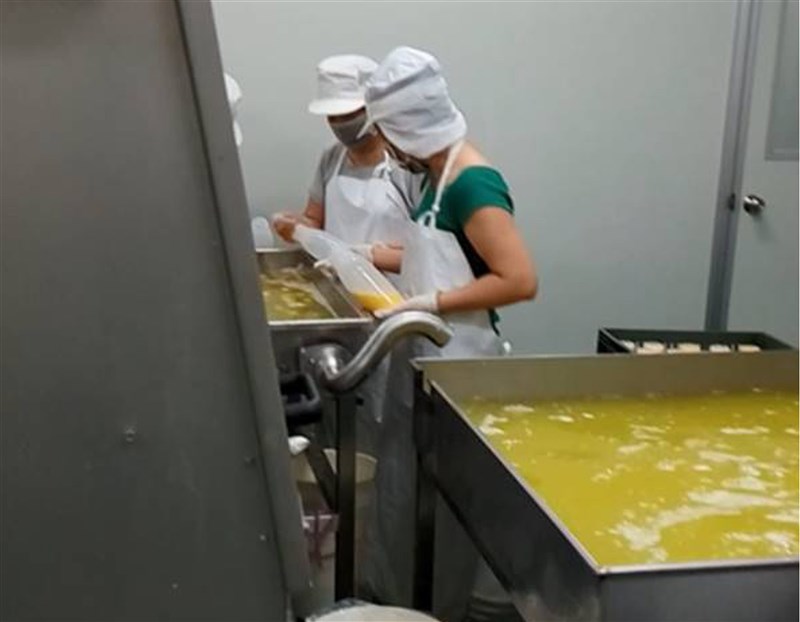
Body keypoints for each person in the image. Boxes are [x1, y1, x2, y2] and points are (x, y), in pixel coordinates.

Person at [358, 47, 538, 621]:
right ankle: (404, 607)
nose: (387, 149)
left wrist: (434, 301)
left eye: (388, 135)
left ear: (407, 128)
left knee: (446, 516)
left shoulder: (471, 183)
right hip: (427, 360)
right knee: (406, 499)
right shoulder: (435, 177)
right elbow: (436, 251)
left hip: (461, 366)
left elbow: (519, 279)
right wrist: (363, 256)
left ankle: (439, 610)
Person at [271, 54, 425, 264]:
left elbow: (428, 253)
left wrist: (371, 257)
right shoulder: (332, 158)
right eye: (333, 117)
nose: (341, 124)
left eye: (350, 115)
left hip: (396, 292)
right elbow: (315, 220)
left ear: (374, 108)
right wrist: (295, 227)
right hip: (338, 285)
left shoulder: (408, 163)